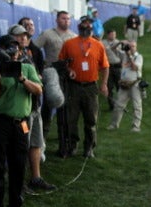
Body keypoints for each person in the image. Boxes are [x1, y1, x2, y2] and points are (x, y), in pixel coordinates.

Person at [0, 35, 43, 207]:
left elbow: (38, 90)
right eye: (9, 48)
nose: (13, 52)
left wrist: (22, 78)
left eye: (16, 48)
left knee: (18, 164)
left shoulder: (27, 68)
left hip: (21, 123)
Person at [9, 22, 56, 192]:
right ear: (11, 39)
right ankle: (19, 182)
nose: (24, 37)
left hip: (35, 107)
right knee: (22, 146)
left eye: (26, 35)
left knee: (36, 143)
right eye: (19, 35)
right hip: (23, 111)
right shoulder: (12, 58)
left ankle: (35, 178)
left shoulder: (28, 55)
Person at [58, 15, 109, 158]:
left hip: (91, 87)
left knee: (91, 119)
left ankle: (89, 148)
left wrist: (104, 84)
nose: (86, 26)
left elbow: (105, 67)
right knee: (71, 119)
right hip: (73, 86)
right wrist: (69, 70)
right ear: (79, 25)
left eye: (89, 23)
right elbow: (61, 63)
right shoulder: (69, 43)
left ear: (92, 27)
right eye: (84, 23)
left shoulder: (98, 45)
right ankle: (72, 146)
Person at [33, 10, 76, 156]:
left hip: (66, 76)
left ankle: (63, 147)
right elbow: (33, 49)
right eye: (63, 18)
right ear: (57, 20)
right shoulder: (47, 34)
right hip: (51, 73)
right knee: (46, 110)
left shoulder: (73, 36)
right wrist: (40, 68)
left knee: (64, 112)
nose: (66, 21)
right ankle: (40, 146)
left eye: (68, 19)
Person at [107, 41, 143, 132]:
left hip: (135, 84)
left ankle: (136, 126)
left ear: (136, 47)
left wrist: (130, 55)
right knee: (118, 105)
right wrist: (119, 43)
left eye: (133, 46)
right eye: (129, 46)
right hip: (123, 84)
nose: (131, 48)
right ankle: (114, 124)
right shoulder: (123, 55)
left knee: (137, 106)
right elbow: (111, 49)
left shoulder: (139, 57)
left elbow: (135, 68)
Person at [102, 29, 124, 110]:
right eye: (112, 34)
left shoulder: (118, 42)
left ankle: (121, 104)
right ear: (108, 35)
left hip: (117, 66)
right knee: (109, 86)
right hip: (108, 67)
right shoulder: (103, 43)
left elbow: (122, 54)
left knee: (119, 86)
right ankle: (111, 105)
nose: (114, 36)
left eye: (115, 34)